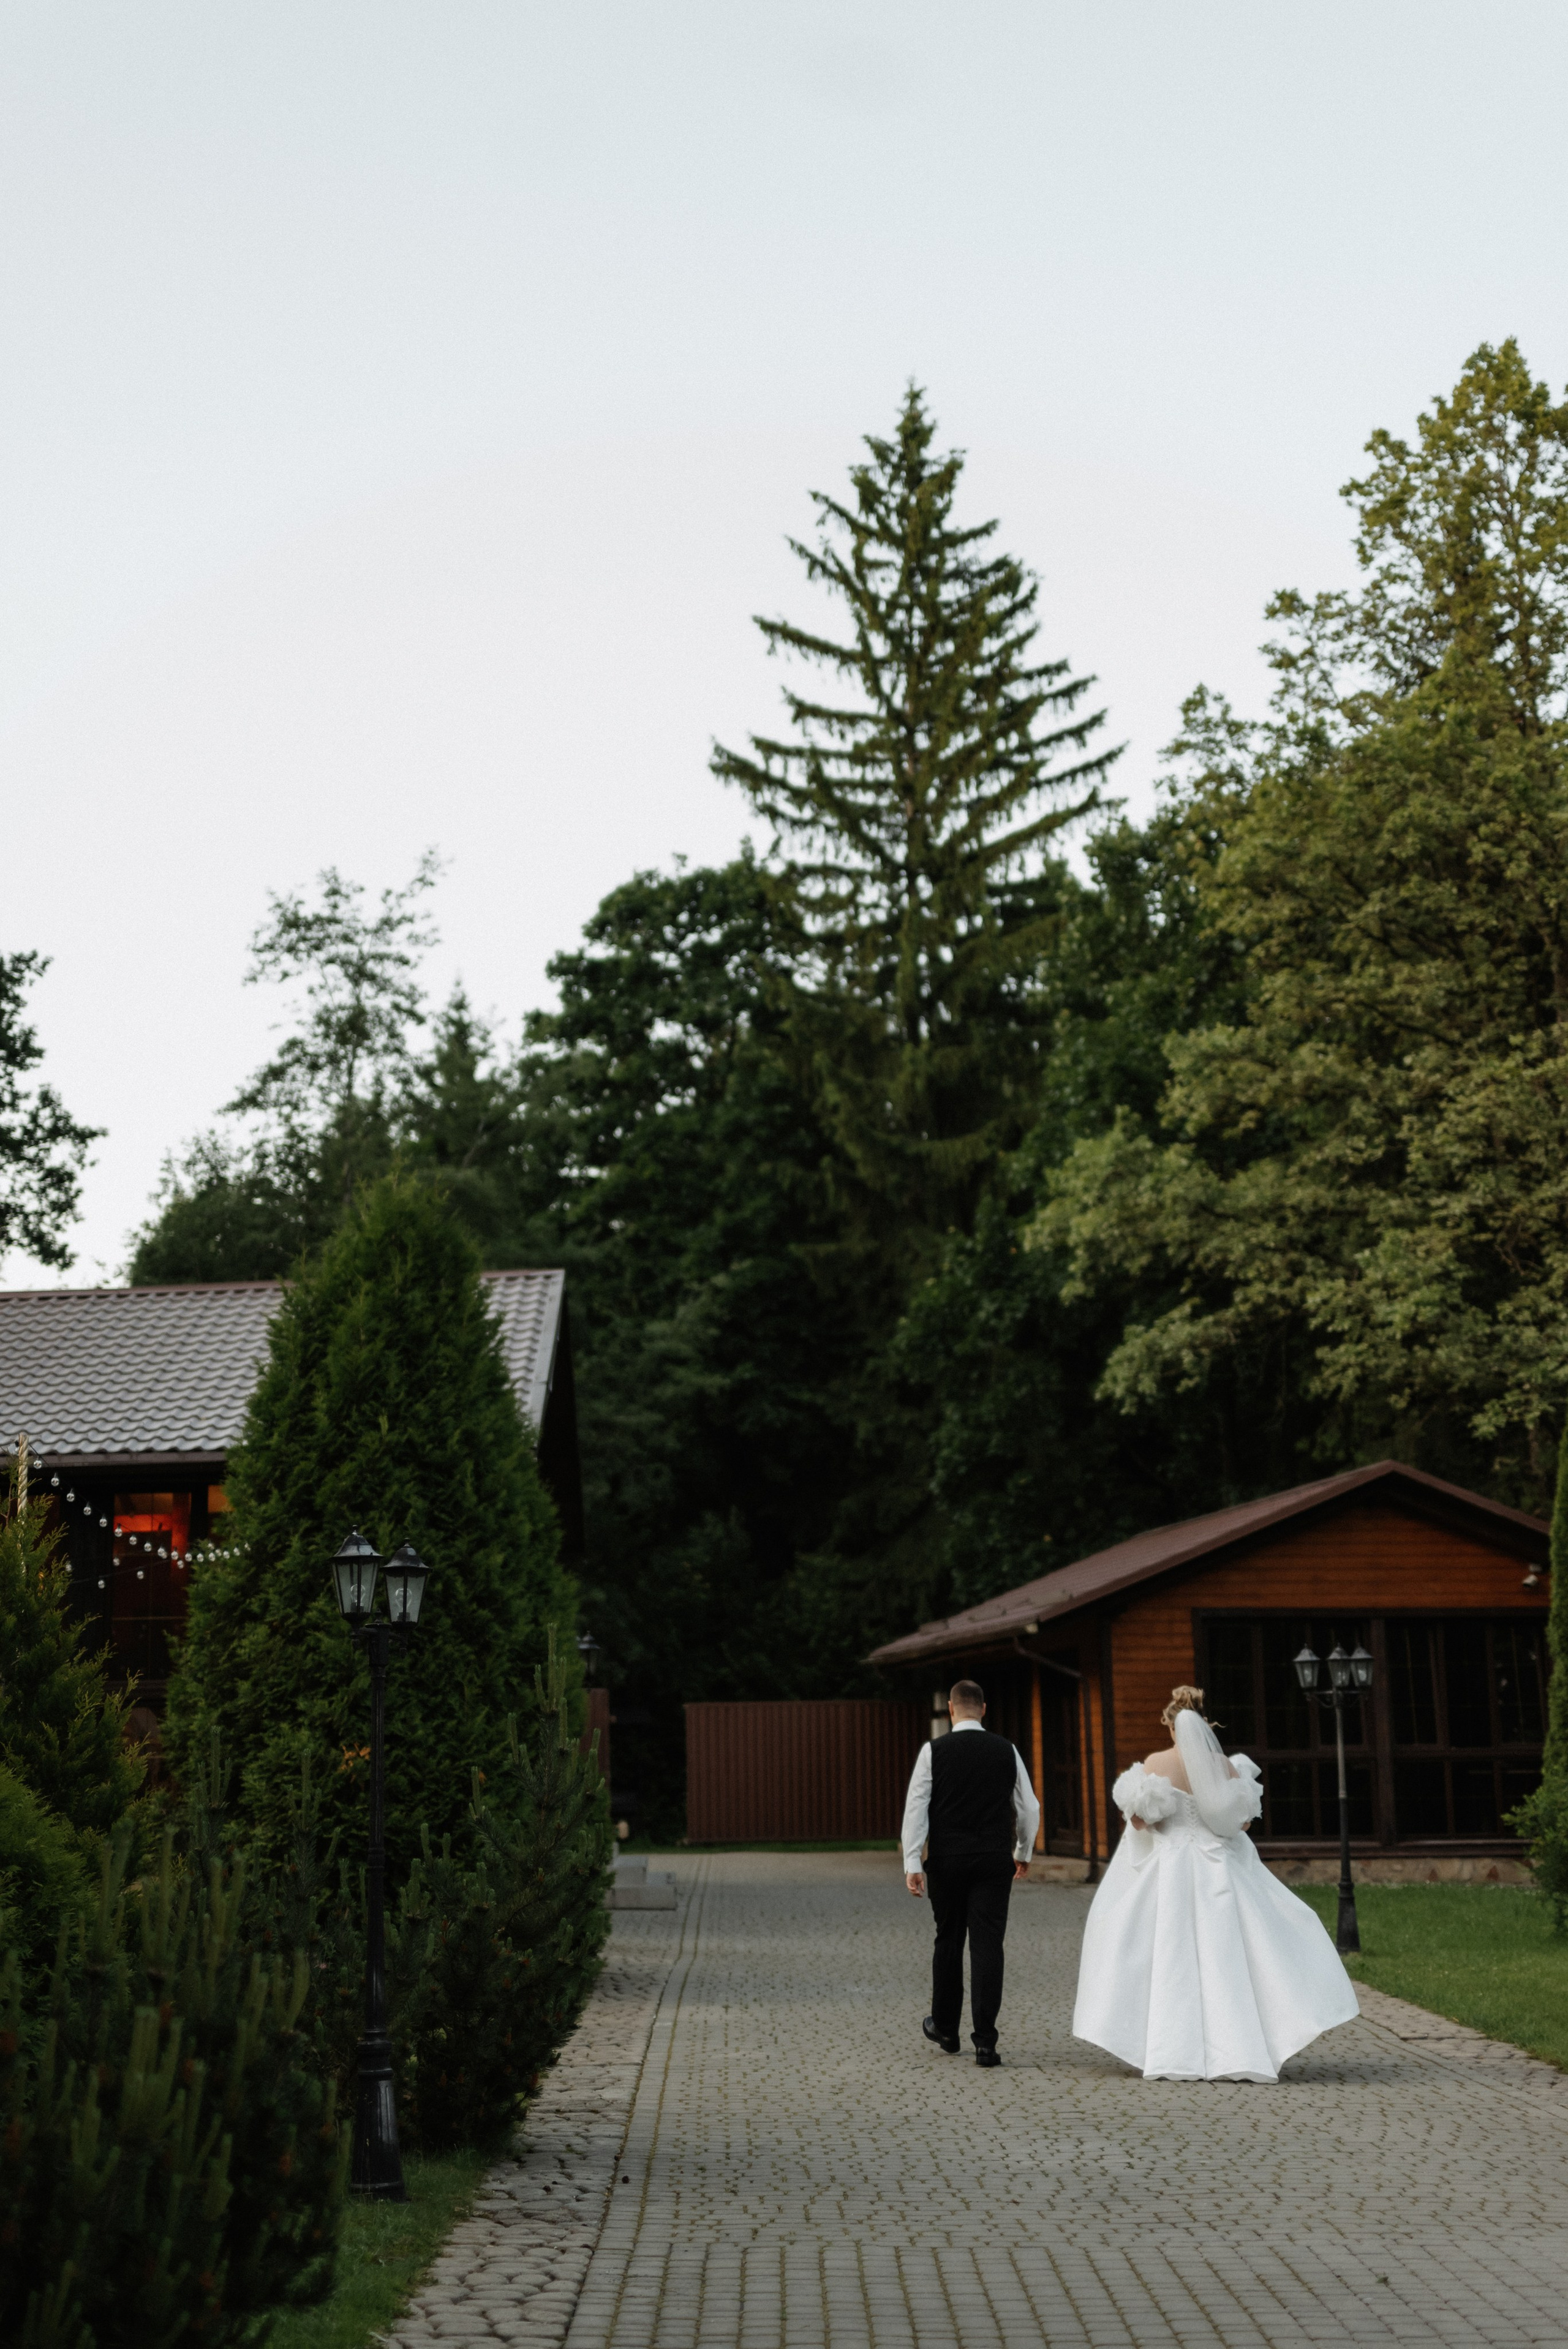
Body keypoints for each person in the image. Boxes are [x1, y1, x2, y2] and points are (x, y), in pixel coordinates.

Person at [1072, 1683, 1359, 2083]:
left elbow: (1141, 1821)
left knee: (1168, 1957)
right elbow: (1240, 1823)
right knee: (1229, 1957)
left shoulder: (1156, 1761)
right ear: (1205, 1723)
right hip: (1219, 1869)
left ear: (1171, 1725)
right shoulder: (1225, 1766)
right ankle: (1238, 2047)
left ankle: (1168, 2049)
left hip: (1169, 1869)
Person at [901, 1678, 1041, 2067]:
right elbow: (1029, 1807)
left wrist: (913, 1862)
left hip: (948, 1860)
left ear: (950, 1709)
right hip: (993, 1860)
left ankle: (945, 2027)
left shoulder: (934, 1751)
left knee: (948, 1939)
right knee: (987, 1945)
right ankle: (986, 2042)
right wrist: (1023, 1851)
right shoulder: (1006, 1750)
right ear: (984, 1709)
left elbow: (917, 1807)